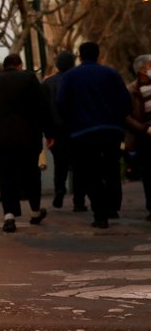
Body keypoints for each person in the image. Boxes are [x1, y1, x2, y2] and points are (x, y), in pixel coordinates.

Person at [56, 41, 131, 229]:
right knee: (112, 169)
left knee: (90, 172)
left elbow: (61, 103)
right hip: (111, 130)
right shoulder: (112, 74)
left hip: (83, 132)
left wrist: (71, 124)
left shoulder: (70, 77)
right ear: (98, 55)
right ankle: (113, 207)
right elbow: (125, 101)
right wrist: (118, 121)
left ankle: (100, 214)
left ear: (80, 56)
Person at [0, 53, 52, 233]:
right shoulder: (28, 79)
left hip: (1, 140)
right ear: (19, 65)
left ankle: (9, 216)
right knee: (31, 174)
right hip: (27, 138)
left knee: (6, 176)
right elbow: (42, 106)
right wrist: (47, 131)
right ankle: (35, 211)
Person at [42, 50, 80, 210]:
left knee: (60, 164)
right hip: (77, 129)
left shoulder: (48, 83)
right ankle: (79, 200)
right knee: (79, 164)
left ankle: (59, 189)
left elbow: (43, 110)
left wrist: (48, 134)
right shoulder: (78, 79)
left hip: (56, 131)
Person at [124, 54, 151, 222]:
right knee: (148, 173)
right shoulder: (131, 90)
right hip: (145, 137)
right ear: (142, 69)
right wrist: (145, 129)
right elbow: (126, 116)